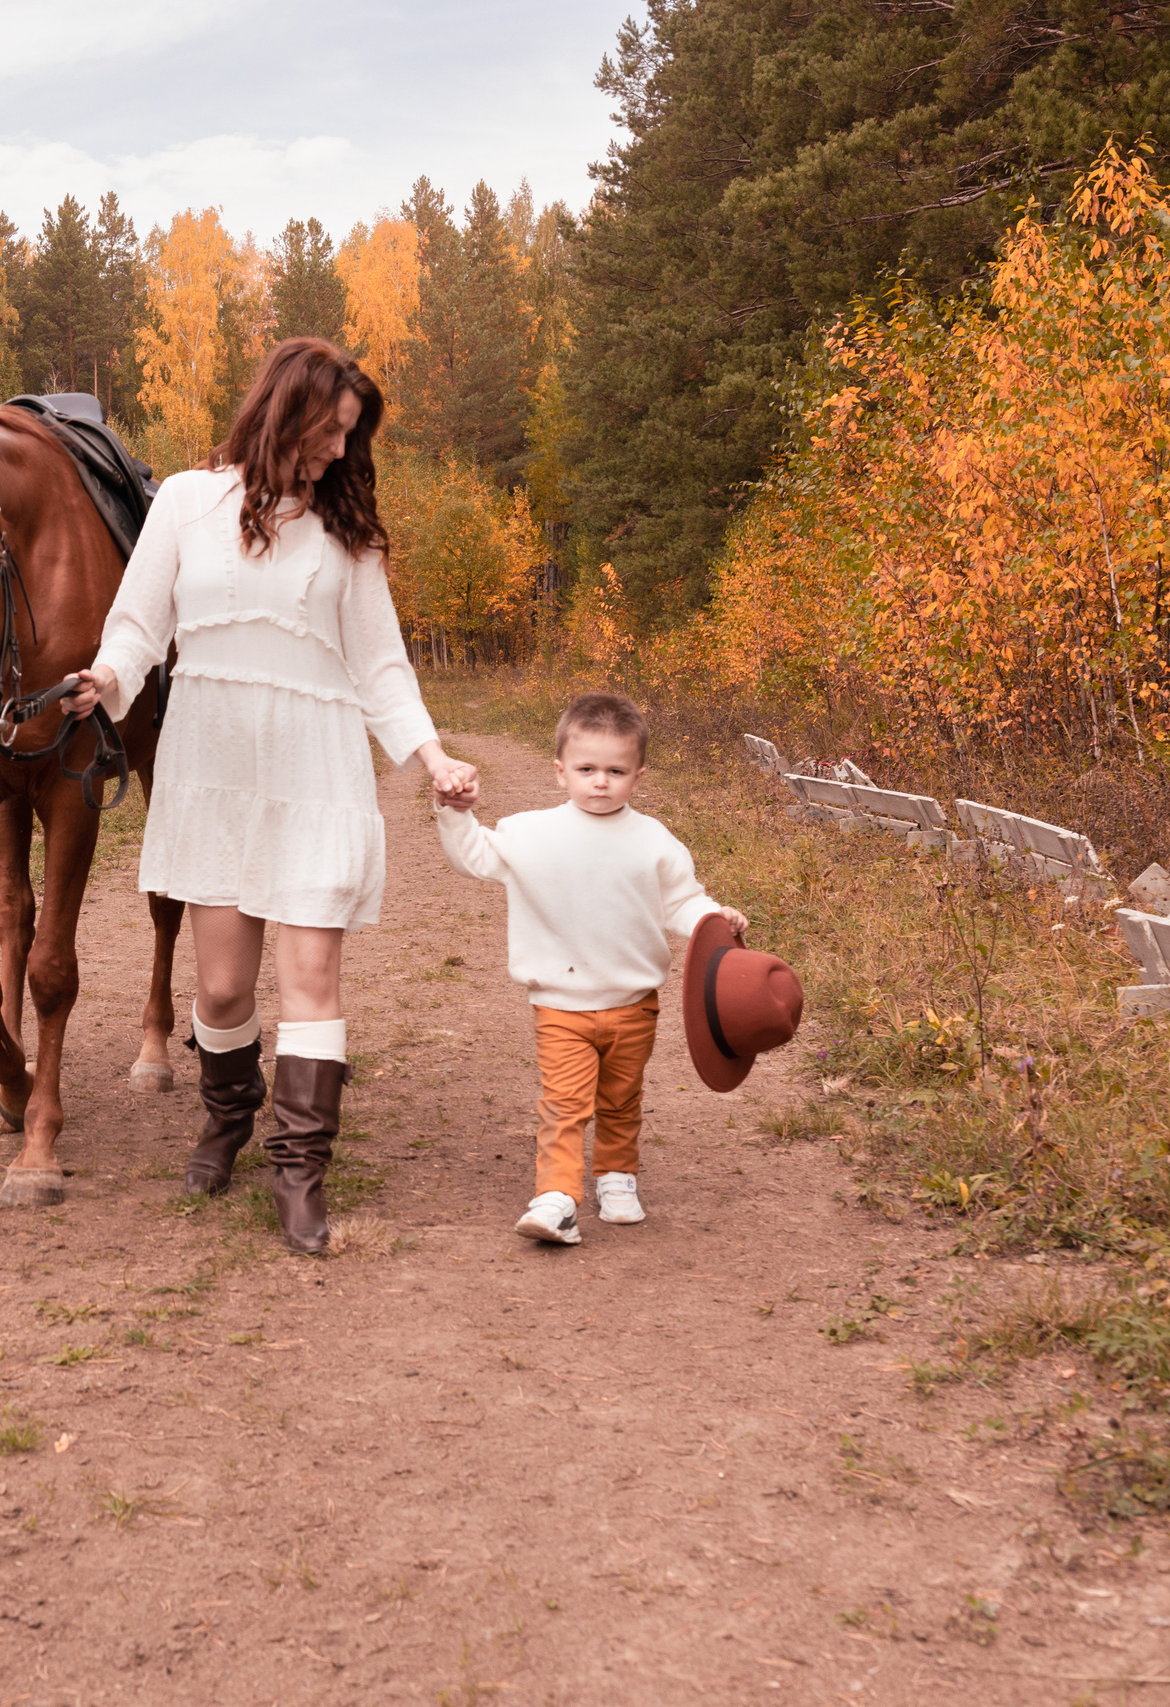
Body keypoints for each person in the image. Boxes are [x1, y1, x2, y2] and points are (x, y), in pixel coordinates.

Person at [68, 338, 479, 1253]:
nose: (339, 451)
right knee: (218, 989)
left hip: (315, 763)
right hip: (213, 763)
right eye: (330, 431)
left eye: (349, 436)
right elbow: (139, 624)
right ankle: (229, 1115)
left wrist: (431, 755)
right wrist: (106, 678)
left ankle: (300, 1169)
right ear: (284, 412)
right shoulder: (183, 501)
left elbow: (379, 661)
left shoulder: (347, 533)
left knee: (311, 977)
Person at [433, 691, 748, 1245]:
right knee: (564, 1101)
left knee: (622, 1098)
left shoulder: (655, 843)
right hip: (561, 1004)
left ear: (638, 775)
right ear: (560, 772)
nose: (600, 781)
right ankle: (556, 1197)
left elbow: (681, 902)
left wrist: (715, 919)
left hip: (633, 1003)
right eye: (586, 769)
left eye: (615, 770)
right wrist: (456, 813)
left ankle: (617, 1176)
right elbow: (476, 856)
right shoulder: (530, 833)